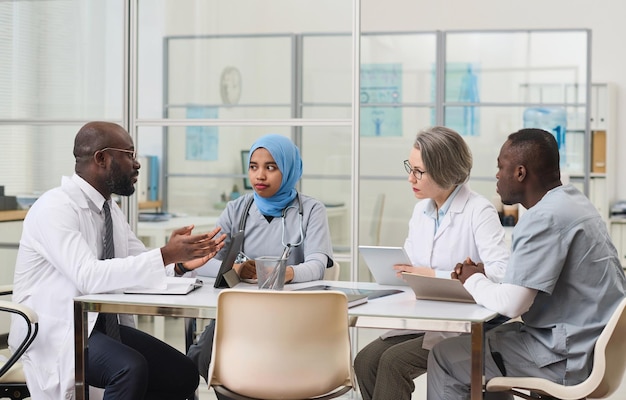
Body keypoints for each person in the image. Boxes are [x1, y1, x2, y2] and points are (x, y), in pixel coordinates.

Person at [8, 121, 226, 400]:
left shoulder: (110, 209)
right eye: (130, 154)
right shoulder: (55, 208)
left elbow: (138, 260)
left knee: (181, 372)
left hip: (97, 325)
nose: (137, 165)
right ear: (102, 158)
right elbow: (88, 276)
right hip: (59, 331)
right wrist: (166, 254)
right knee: (129, 369)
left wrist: (179, 263)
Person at [427, 128, 626, 400]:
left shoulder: (542, 219)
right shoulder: (575, 203)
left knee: (445, 356)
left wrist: (471, 279)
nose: (497, 175)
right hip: (591, 347)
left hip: (564, 357)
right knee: (487, 342)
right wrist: (488, 275)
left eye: (501, 167)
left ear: (520, 173)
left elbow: (513, 305)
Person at [353, 126, 509, 400]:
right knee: (365, 361)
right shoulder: (421, 211)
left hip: (462, 326)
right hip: (426, 319)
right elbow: (413, 264)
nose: (410, 178)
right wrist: (400, 272)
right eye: (409, 168)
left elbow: (501, 273)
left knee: (393, 363)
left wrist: (432, 274)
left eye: (419, 172)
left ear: (445, 171)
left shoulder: (479, 211)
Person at [188, 133, 334, 388]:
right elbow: (204, 260)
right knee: (202, 356)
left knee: (261, 363)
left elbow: (318, 266)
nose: (260, 176)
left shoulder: (311, 210)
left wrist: (285, 273)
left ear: (289, 169)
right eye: (253, 167)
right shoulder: (237, 209)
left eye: (271, 167)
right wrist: (235, 269)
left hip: (291, 315)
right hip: (241, 311)